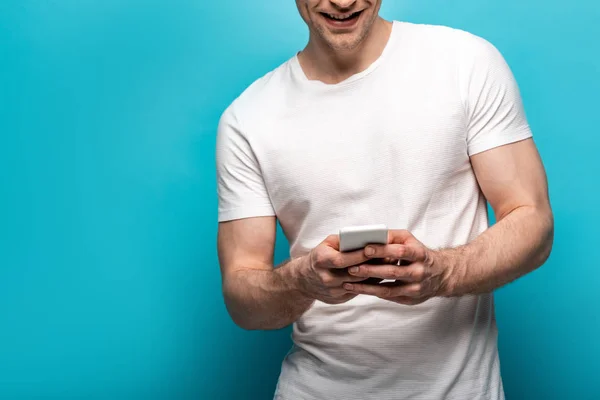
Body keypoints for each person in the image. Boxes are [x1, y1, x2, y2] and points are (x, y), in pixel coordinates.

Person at [214, 1, 554, 399]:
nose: (342, 3)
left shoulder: (466, 62)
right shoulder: (247, 119)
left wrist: (443, 272)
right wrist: (302, 281)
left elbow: (533, 220)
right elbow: (242, 299)